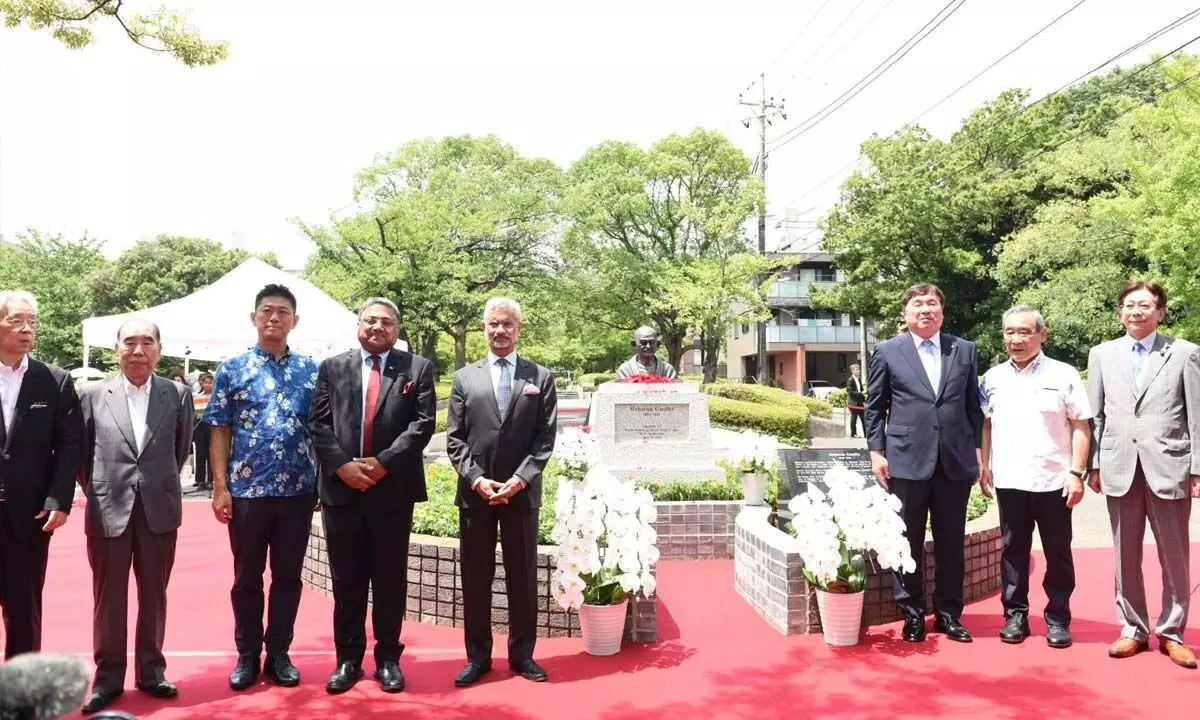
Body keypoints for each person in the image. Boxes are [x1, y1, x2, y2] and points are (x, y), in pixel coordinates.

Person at [309, 297, 436, 695]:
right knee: (346, 580)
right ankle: (348, 659)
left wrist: (382, 463)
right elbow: (318, 423)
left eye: (386, 322)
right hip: (342, 491)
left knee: (388, 579)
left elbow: (422, 424)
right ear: (359, 324)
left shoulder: (416, 368)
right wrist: (344, 466)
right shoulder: (333, 367)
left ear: (397, 329)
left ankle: (388, 659)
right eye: (370, 320)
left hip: (392, 491)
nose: (378, 327)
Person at [205, 285, 320, 691]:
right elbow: (219, 429)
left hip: (298, 492)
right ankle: (247, 654)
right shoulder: (232, 369)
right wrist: (220, 488)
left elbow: (322, 429)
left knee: (288, 577)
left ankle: (280, 652)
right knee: (246, 578)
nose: (274, 318)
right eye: (267, 311)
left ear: (295, 321)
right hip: (247, 492)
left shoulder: (313, 370)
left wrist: (321, 480)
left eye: (283, 312)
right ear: (254, 318)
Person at [78, 319, 193, 714]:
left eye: (148, 342)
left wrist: (154, 483)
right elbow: (81, 453)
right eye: (130, 342)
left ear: (160, 350)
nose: (138, 350)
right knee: (108, 598)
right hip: (108, 507)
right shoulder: (92, 393)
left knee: (153, 596)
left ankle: (151, 671)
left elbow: (180, 451)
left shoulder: (176, 394)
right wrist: (100, 487)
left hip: (159, 510)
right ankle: (108, 678)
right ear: (116, 350)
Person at [1086, 281, 1199, 669]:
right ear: (1120, 311)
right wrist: (1095, 464)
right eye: (1129, 305)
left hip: (1170, 466)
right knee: (1124, 554)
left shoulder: (1184, 353)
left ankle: (1171, 631)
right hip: (1119, 466)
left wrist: (1197, 469)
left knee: (1175, 555)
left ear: (1161, 312)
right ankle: (1132, 628)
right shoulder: (1101, 354)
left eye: (1145, 305)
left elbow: (1197, 417)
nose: (1136, 311)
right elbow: (1096, 416)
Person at [447, 297, 557, 687]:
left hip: (521, 495)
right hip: (476, 494)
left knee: (523, 576)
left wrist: (521, 478)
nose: (500, 330)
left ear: (519, 329)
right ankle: (477, 657)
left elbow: (545, 439)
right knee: (475, 577)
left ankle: (523, 655)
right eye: (493, 324)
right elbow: (455, 440)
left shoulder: (540, 377)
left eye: (508, 324)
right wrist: (478, 479)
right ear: (484, 328)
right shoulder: (465, 379)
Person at [865, 283, 983, 644]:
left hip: (953, 462)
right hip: (905, 459)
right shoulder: (888, 351)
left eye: (933, 303)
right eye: (918, 304)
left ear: (942, 312)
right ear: (906, 312)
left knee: (951, 542)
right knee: (907, 541)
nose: (926, 310)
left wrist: (978, 454)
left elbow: (971, 408)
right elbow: (875, 406)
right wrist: (876, 452)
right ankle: (912, 614)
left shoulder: (963, 350)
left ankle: (949, 615)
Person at [979, 306, 1091, 648]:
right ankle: (1015, 615)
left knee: (1058, 552)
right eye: (1010, 332)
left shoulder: (1064, 374)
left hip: (1054, 482)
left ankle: (1058, 618)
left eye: (1025, 332)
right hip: (1011, 481)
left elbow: (1081, 426)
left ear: (1043, 334)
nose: (1016, 339)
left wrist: (1077, 473)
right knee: (1013, 551)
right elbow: (985, 424)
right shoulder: (992, 378)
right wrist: (984, 465)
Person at [0, 291, 82, 659]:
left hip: (28, 514)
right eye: (16, 320)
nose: (26, 328)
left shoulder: (55, 380)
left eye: (31, 321)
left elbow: (68, 446)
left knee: (24, 608)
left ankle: (21, 695)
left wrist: (58, 499)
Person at [191, 372, 213, 493]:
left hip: (211, 426)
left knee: (210, 454)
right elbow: (194, 412)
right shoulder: (196, 396)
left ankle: (210, 479)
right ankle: (200, 479)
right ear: (201, 383)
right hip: (199, 427)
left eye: (210, 382)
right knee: (200, 453)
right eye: (205, 382)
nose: (207, 385)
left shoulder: (215, 397)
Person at [845, 363, 866, 438]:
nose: (859, 371)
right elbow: (850, 392)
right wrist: (859, 393)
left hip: (860, 402)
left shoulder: (858, 379)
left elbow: (861, 389)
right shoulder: (850, 380)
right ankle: (853, 434)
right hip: (853, 402)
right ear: (853, 371)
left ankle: (866, 434)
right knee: (854, 419)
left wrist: (863, 395)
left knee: (864, 419)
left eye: (859, 369)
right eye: (857, 369)